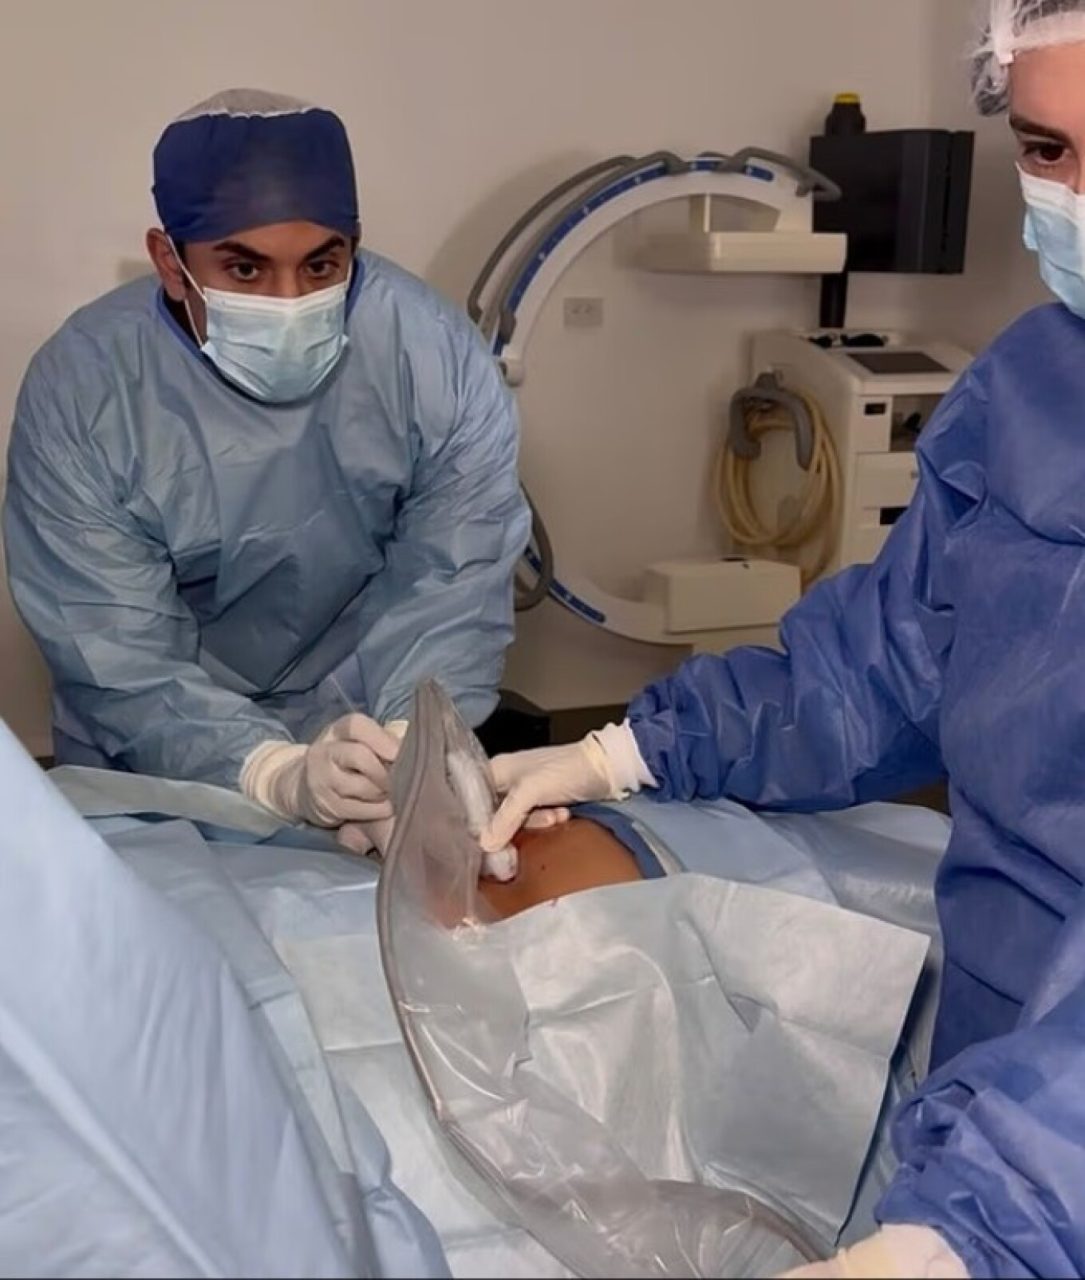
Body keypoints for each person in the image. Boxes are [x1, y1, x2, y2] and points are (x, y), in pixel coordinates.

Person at [481, 4, 1085, 1276]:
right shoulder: (1034, 386)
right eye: (1045, 148)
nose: (1076, 195)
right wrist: (629, 753)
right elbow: (890, 663)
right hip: (997, 1069)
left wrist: (978, 1229)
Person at [4, 88, 529, 856]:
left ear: (353, 245)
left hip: (360, 715)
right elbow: (112, 645)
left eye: (321, 264)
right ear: (170, 262)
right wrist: (272, 772)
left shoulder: (434, 358)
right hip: (154, 751)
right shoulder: (85, 391)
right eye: (245, 268)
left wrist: (409, 748)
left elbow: (453, 582)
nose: (290, 301)